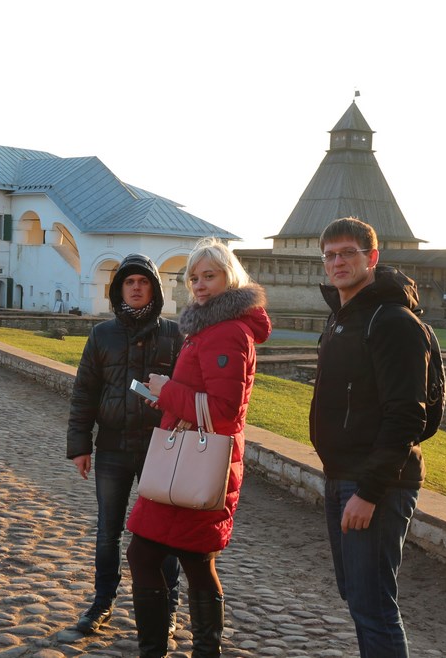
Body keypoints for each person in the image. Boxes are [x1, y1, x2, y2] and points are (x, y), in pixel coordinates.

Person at [125, 237, 271, 657]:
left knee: (155, 556)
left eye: (210, 276)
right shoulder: (210, 327)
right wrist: (168, 396)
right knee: (191, 561)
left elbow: (225, 411)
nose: (201, 284)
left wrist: (168, 391)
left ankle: (164, 651)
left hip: (196, 462)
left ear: (230, 277)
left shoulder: (226, 331)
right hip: (189, 456)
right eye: (194, 278)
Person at [309, 217, 432, 657]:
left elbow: (406, 416)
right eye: (330, 255)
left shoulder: (392, 321)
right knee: (358, 598)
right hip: (342, 475)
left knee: (374, 605)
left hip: (376, 483)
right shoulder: (342, 318)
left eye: (348, 253)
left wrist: (369, 491)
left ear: (372, 257)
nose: (337, 262)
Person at [66, 254, 183, 636]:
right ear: (119, 289)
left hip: (159, 448)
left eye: (143, 282)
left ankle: (167, 605)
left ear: (154, 289)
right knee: (108, 531)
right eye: (129, 282)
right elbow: (85, 392)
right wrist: (80, 445)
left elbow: (187, 389)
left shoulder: (173, 335)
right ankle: (102, 601)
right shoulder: (102, 335)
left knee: (163, 533)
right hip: (113, 447)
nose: (136, 287)